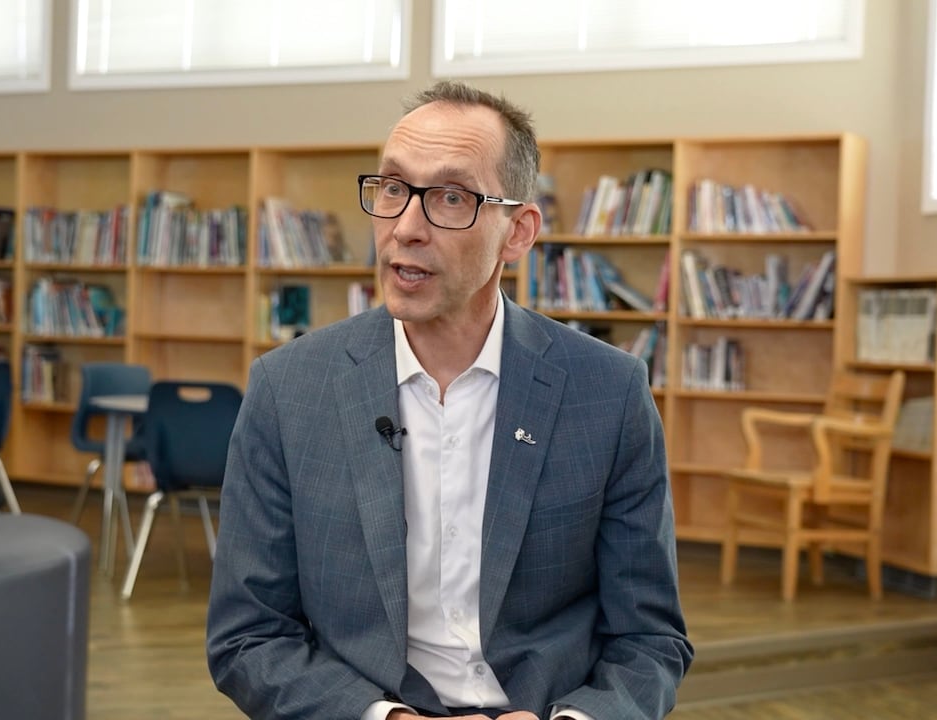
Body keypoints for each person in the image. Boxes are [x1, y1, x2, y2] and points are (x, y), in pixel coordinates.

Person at [207, 80, 693, 720]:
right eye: (391, 189)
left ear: (517, 232)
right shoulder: (288, 389)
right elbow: (249, 636)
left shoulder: (608, 393)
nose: (405, 228)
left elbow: (649, 639)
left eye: (451, 198)